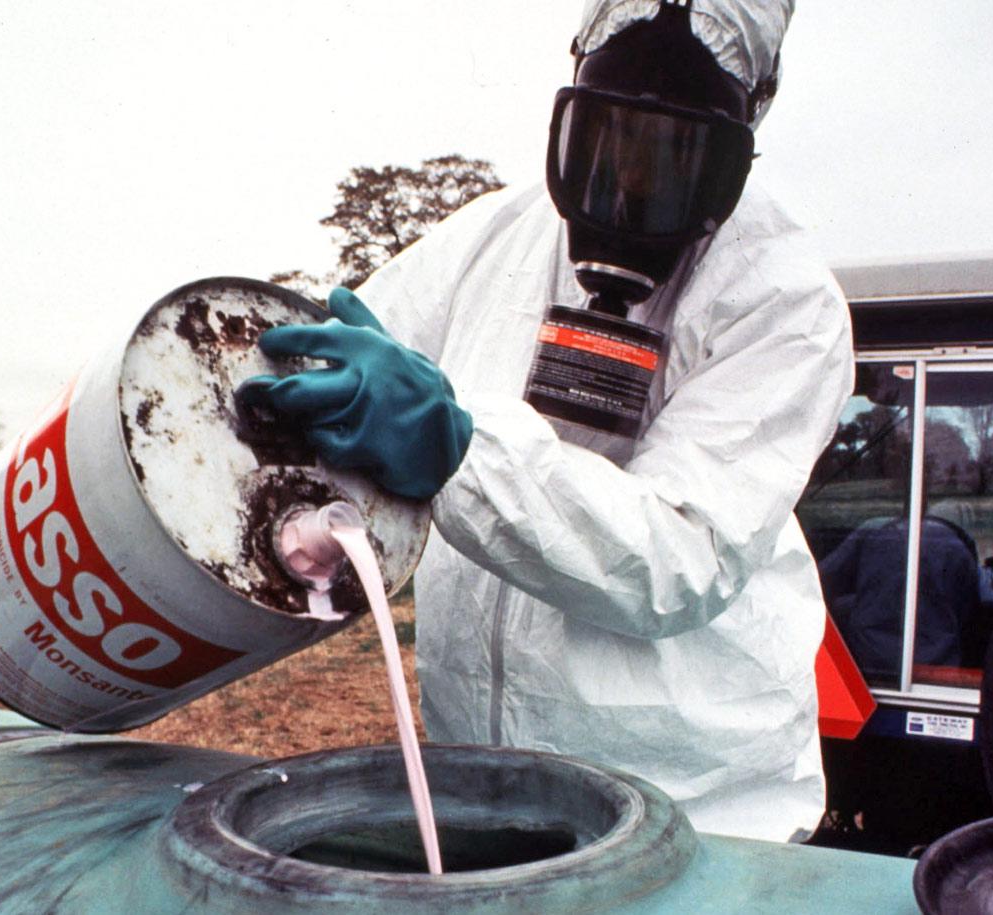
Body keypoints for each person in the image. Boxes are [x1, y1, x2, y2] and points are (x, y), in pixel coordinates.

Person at [251, 0, 852, 842]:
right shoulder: (494, 239)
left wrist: (456, 453)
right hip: (483, 785)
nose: (633, 182)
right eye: (611, 138)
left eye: (673, 153)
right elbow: (337, 357)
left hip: (698, 810)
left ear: (745, 128)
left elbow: (677, 554)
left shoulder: (781, 301)